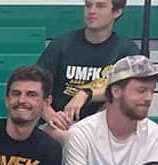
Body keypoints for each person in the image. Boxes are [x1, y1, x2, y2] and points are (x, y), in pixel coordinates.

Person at [37, 0, 139, 136]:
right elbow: (35, 85)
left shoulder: (126, 49)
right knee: (64, 137)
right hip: (60, 125)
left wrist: (85, 93)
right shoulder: (61, 44)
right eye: (88, 5)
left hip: (102, 126)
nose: (92, 11)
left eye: (100, 6)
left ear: (117, 12)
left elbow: (128, 90)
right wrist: (50, 115)